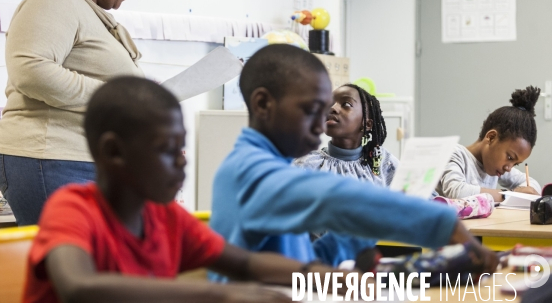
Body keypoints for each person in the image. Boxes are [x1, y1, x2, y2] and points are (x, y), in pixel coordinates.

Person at [23, 77, 350, 303]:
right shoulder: (73, 209)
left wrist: (324, 277)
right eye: (167, 149)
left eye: (182, 148)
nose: (182, 162)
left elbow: (245, 264)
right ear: (114, 152)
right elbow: (80, 288)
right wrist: (221, 295)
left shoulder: (166, 218)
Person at [210, 44, 498, 273]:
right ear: (263, 104)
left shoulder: (268, 165)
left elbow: (303, 260)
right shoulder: (250, 171)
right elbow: (335, 198)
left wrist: (353, 238)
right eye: (312, 109)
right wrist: (443, 223)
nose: (323, 119)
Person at [0, 0, 143, 225]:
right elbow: (32, 71)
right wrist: (115, 97)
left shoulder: (88, 10)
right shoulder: (54, 0)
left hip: (75, 160)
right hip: (47, 156)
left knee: (91, 264)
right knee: (69, 267)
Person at [436, 86, 542, 202]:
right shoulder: (454, 154)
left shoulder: (496, 168)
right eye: (510, 157)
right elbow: (456, 192)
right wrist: (510, 195)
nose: (509, 168)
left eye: (515, 164)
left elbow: (533, 184)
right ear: (491, 138)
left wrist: (528, 191)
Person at [295, 84, 397, 187]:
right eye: (330, 103)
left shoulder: (384, 163)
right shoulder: (307, 164)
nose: (332, 108)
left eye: (346, 104)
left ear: (367, 124)